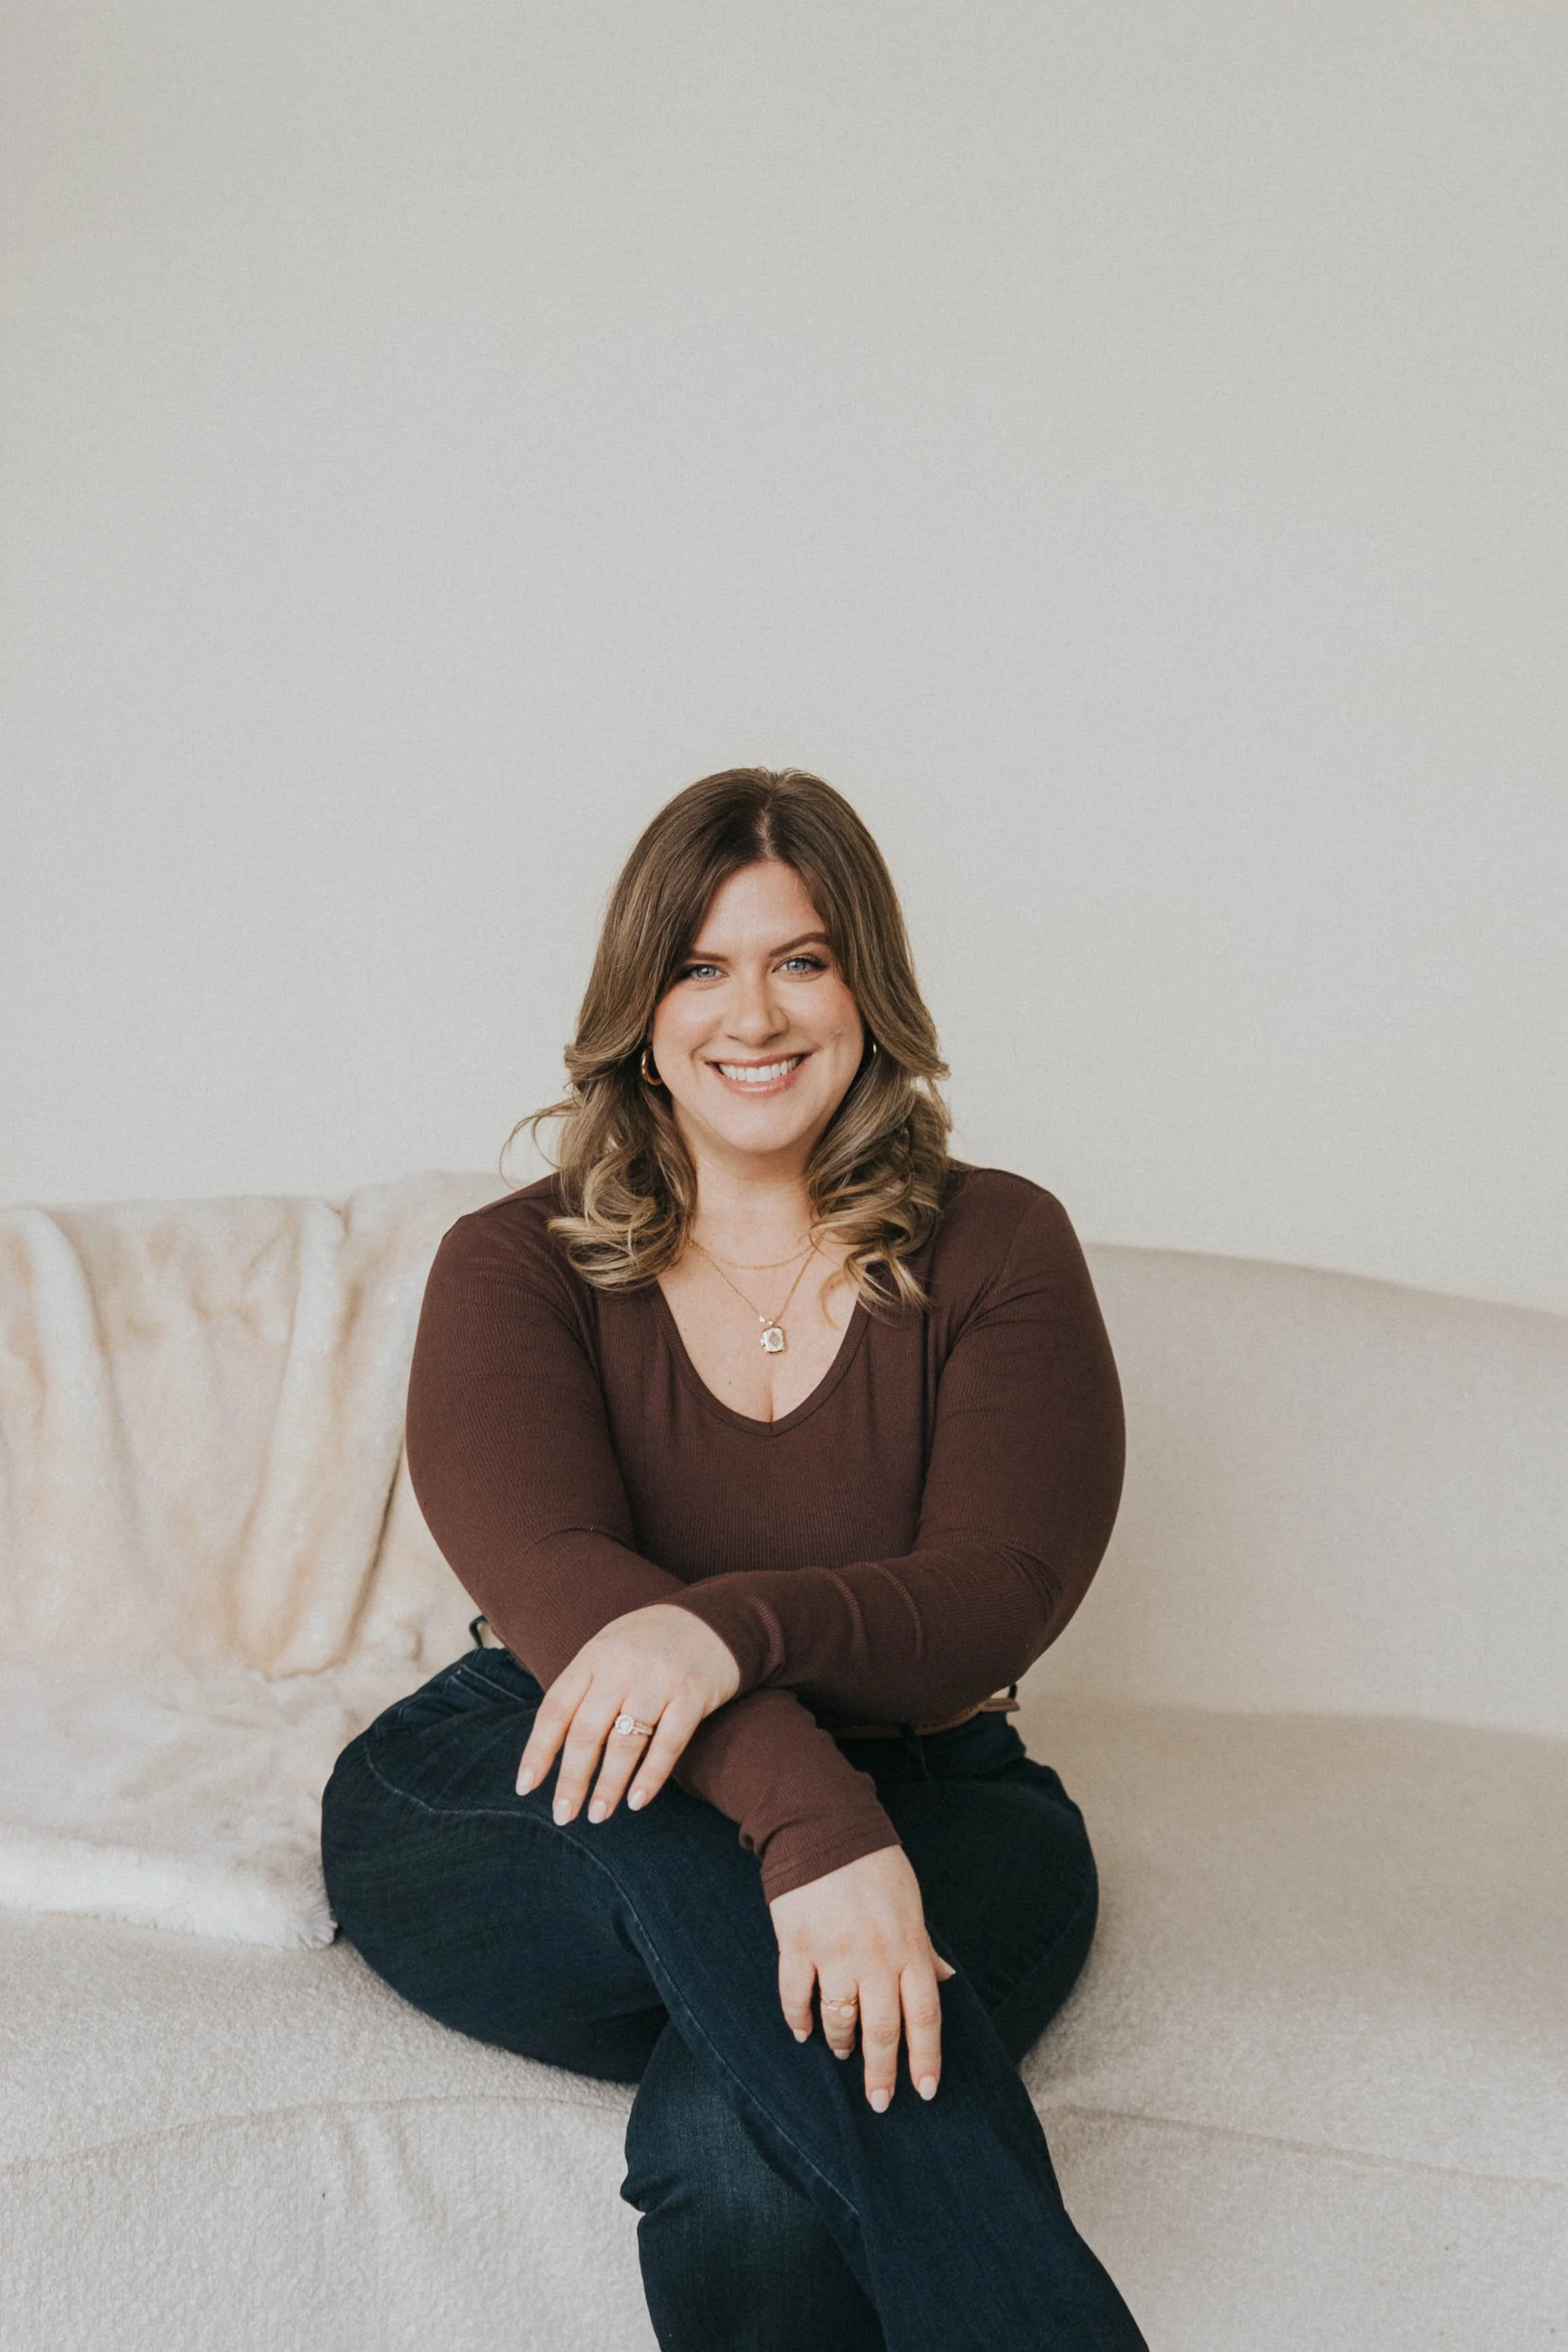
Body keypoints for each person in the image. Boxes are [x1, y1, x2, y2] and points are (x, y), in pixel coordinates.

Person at [321, 767, 1148, 2351]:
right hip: (545, 1773)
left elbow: (998, 1593)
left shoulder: (998, 1243)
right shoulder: (511, 1265)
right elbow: (553, 1574)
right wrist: (810, 1819)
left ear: (867, 989)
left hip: (937, 1790)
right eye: (699, 966)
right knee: (651, 1831)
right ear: (638, 1012)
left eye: (800, 960)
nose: (751, 1015)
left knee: (734, 2146)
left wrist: (717, 1636)